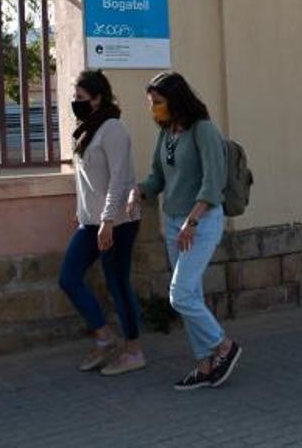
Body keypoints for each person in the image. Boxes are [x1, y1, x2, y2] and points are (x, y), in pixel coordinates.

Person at [127, 71, 242, 391]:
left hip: (201, 222)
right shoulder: (167, 135)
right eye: (151, 103)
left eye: (158, 102)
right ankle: (204, 365)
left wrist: (192, 221)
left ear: (176, 100)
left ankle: (223, 346)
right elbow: (158, 178)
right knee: (192, 294)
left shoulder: (203, 130)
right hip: (175, 222)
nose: (154, 109)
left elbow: (213, 182)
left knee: (179, 294)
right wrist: (140, 191)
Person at [57, 70, 145, 376]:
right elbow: (87, 180)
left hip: (118, 222)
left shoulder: (113, 129)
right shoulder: (87, 129)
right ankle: (104, 337)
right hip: (91, 222)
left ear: (98, 98)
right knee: (68, 277)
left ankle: (134, 351)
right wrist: (81, 212)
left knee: (117, 284)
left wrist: (108, 220)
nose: (75, 103)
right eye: (75, 97)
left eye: (81, 98)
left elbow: (119, 179)